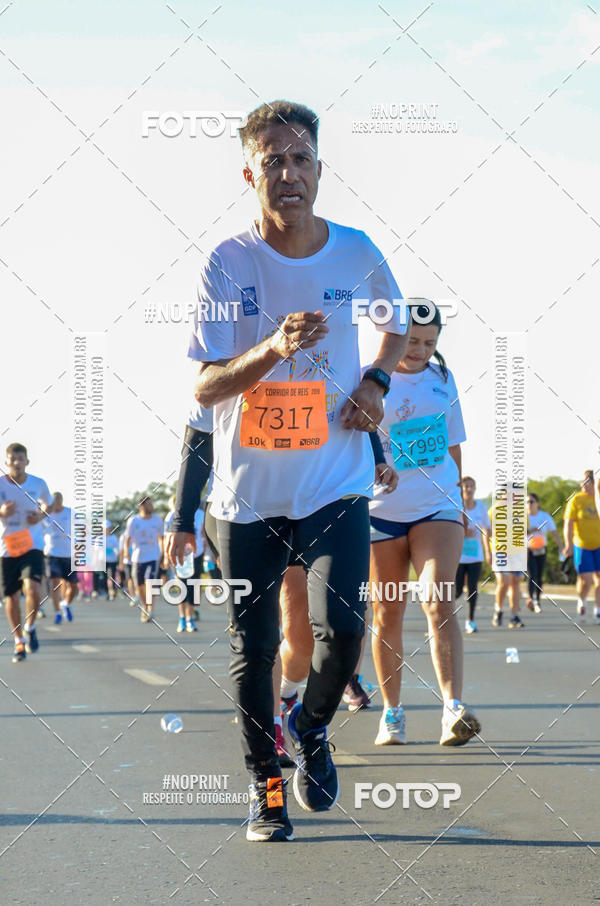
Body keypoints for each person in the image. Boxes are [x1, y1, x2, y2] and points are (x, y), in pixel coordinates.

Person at [191, 99, 408, 842]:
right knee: (252, 653)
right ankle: (267, 790)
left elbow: (396, 325)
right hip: (246, 494)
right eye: (273, 160)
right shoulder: (229, 261)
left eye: (302, 158)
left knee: (343, 633)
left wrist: (376, 383)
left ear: (320, 168)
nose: (289, 173)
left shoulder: (355, 252)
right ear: (249, 172)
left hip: (333, 483)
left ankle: (310, 726)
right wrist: (275, 349)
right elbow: (206, 386)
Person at [367, 301, 480, 748]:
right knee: (387, 610)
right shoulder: (369, 375)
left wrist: (462, 503)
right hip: (381, 510)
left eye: (429, 343)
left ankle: (453, 709)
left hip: (438, 505)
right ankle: (392, 715)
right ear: (394, 335)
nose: (419, 350)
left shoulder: (443, 378)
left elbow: (453, 447)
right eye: (412, 340)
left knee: (438, 598)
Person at [0, 443, 52, 662]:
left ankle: (30, 626)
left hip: (33, 544)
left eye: (20, 459)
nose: (16, 463)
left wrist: (38, 517)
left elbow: (47, 505)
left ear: (27, 462)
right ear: (6, 463)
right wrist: (1, 511)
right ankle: (19, 640)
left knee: (32, 587)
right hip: (7, 545)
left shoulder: (38, 483)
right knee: (10, 596)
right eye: (12, 459)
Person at [563, 470, 600, 624]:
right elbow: (569, 524)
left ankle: (597, 610)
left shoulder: (598, 499)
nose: (583, 485)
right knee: (586, 580)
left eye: (587, 482)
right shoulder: (576, 500)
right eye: (582, 482)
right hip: (582, 545)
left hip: (598, 545)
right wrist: (568, 544)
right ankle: (582, 601)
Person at [455, 476, 491, 634]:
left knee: (473, 589)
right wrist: (462, 532)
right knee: (456, 591)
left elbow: (486, 530)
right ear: (461, 489)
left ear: (475, 488)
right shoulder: (456, 506)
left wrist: (489, 551)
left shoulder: (481, 508)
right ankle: (441, 619)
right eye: (466, 486)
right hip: (458, 556)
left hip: (475, 555)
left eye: (471, 486)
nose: (469, 489)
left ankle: (470, 620)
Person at [124, 498, 164, 623]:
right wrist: (126, 551)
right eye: (149, 504)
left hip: (153, 556)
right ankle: (144, 607)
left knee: (151, 583)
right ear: (142, 506)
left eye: (152, 504)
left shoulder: (157, 520)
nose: (152, 506)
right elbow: (127, 539)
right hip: (138, 557)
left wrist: (164, 554)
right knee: (139, 586)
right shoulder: (133, 521)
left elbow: (161, 538)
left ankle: (150, 609)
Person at [43, 491, 77, 623]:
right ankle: (57, 612)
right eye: (53, 502)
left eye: (58, 501)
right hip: (52, 553)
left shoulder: (70, 513)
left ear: (62, 501)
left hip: (68, 554)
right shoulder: (47, 515)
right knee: (55, 583)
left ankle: (66, 604)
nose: (56, 504)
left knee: (73, 585)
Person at [525, 492, 559, 614]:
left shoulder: (544, 516)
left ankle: (537, 600)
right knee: (531, 574)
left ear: (537, 503)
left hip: (541, 549)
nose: (529, 504)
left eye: (531, 502)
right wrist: (529, 531)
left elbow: (554, 532)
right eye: (527, 502)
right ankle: (531, 599)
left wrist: (561, 546)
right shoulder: (521, 517)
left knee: (539, 576)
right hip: (527, 550)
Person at [105, 520, 120, 600]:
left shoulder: (113, 538)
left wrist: (118, 556)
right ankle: (107, 592)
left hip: (112, 560)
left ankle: (113, 591)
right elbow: (96, 550)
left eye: (108, 528)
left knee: (112, 576)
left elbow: (117, 548)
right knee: (104, 577)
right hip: (103, 560)